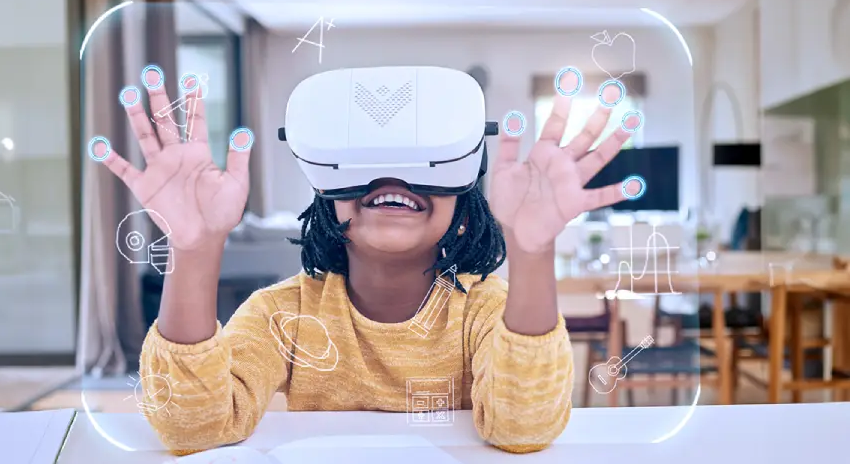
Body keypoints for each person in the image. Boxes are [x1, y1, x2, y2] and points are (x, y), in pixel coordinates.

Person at [97, 67, 638, 456]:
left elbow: (526, 430)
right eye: (366, 163)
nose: (392, 179)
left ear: (466, 213)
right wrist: (193, 251)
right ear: (325, 201)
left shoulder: (486, 311)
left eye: (420, 161)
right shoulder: (284, 314)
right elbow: (191, 428)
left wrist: (533, 249)